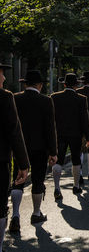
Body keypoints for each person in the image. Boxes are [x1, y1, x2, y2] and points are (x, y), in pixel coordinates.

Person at [8, 71, 57, 232]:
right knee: (37, 180)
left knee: (17, 178)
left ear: (25, 84)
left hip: (19, 147)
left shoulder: (15, 98)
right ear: (40, 85)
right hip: (40, 147)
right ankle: (36, 213)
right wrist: (53, 151)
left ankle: (15, 215)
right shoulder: (46, 101)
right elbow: (50, 127)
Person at [0, 62, 29, 252]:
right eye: (1, 74)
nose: (3, 78)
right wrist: (23, 164)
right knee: (0, 206)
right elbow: (14, 132)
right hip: (0, 160)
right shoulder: (5, 97)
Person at [51, 73, 89, 198]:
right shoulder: (81, 99)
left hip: (59, 134)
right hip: (76, 134)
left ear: (64, 84)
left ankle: (57, 188)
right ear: (76, 85)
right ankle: (76, 186)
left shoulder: (54, 97)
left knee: (59, 160)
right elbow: (85, 119)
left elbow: (51, 118)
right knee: (76, 159)